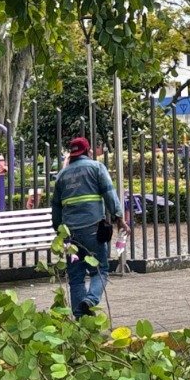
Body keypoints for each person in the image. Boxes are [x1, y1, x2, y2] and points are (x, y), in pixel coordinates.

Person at [50, 136, 122, 318]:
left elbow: (56, 208)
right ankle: (90, 300)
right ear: (88, 151)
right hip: (92, 230)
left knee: (76, 278)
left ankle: (81, 321)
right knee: (100, 270)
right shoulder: (96, 168)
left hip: (69, 235)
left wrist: (59, 231)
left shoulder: (62, 176)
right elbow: (109, 194)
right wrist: (118, 217)